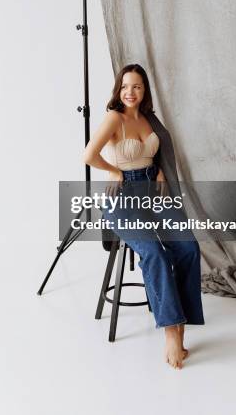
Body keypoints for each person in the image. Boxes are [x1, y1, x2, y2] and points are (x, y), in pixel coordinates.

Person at [83, 63, 205, 369]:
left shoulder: (150, 119)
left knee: (189, 247)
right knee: (154, 253)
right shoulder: (115, 117)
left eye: (136, 86)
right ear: (118, 89)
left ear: (145, 90)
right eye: (125, 86)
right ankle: (170, 332)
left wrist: (161, 170)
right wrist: (114, 171)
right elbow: (88, 155)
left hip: (154, 188)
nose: (130, 92)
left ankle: (182, 322)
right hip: (121, 196)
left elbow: (156, 152)